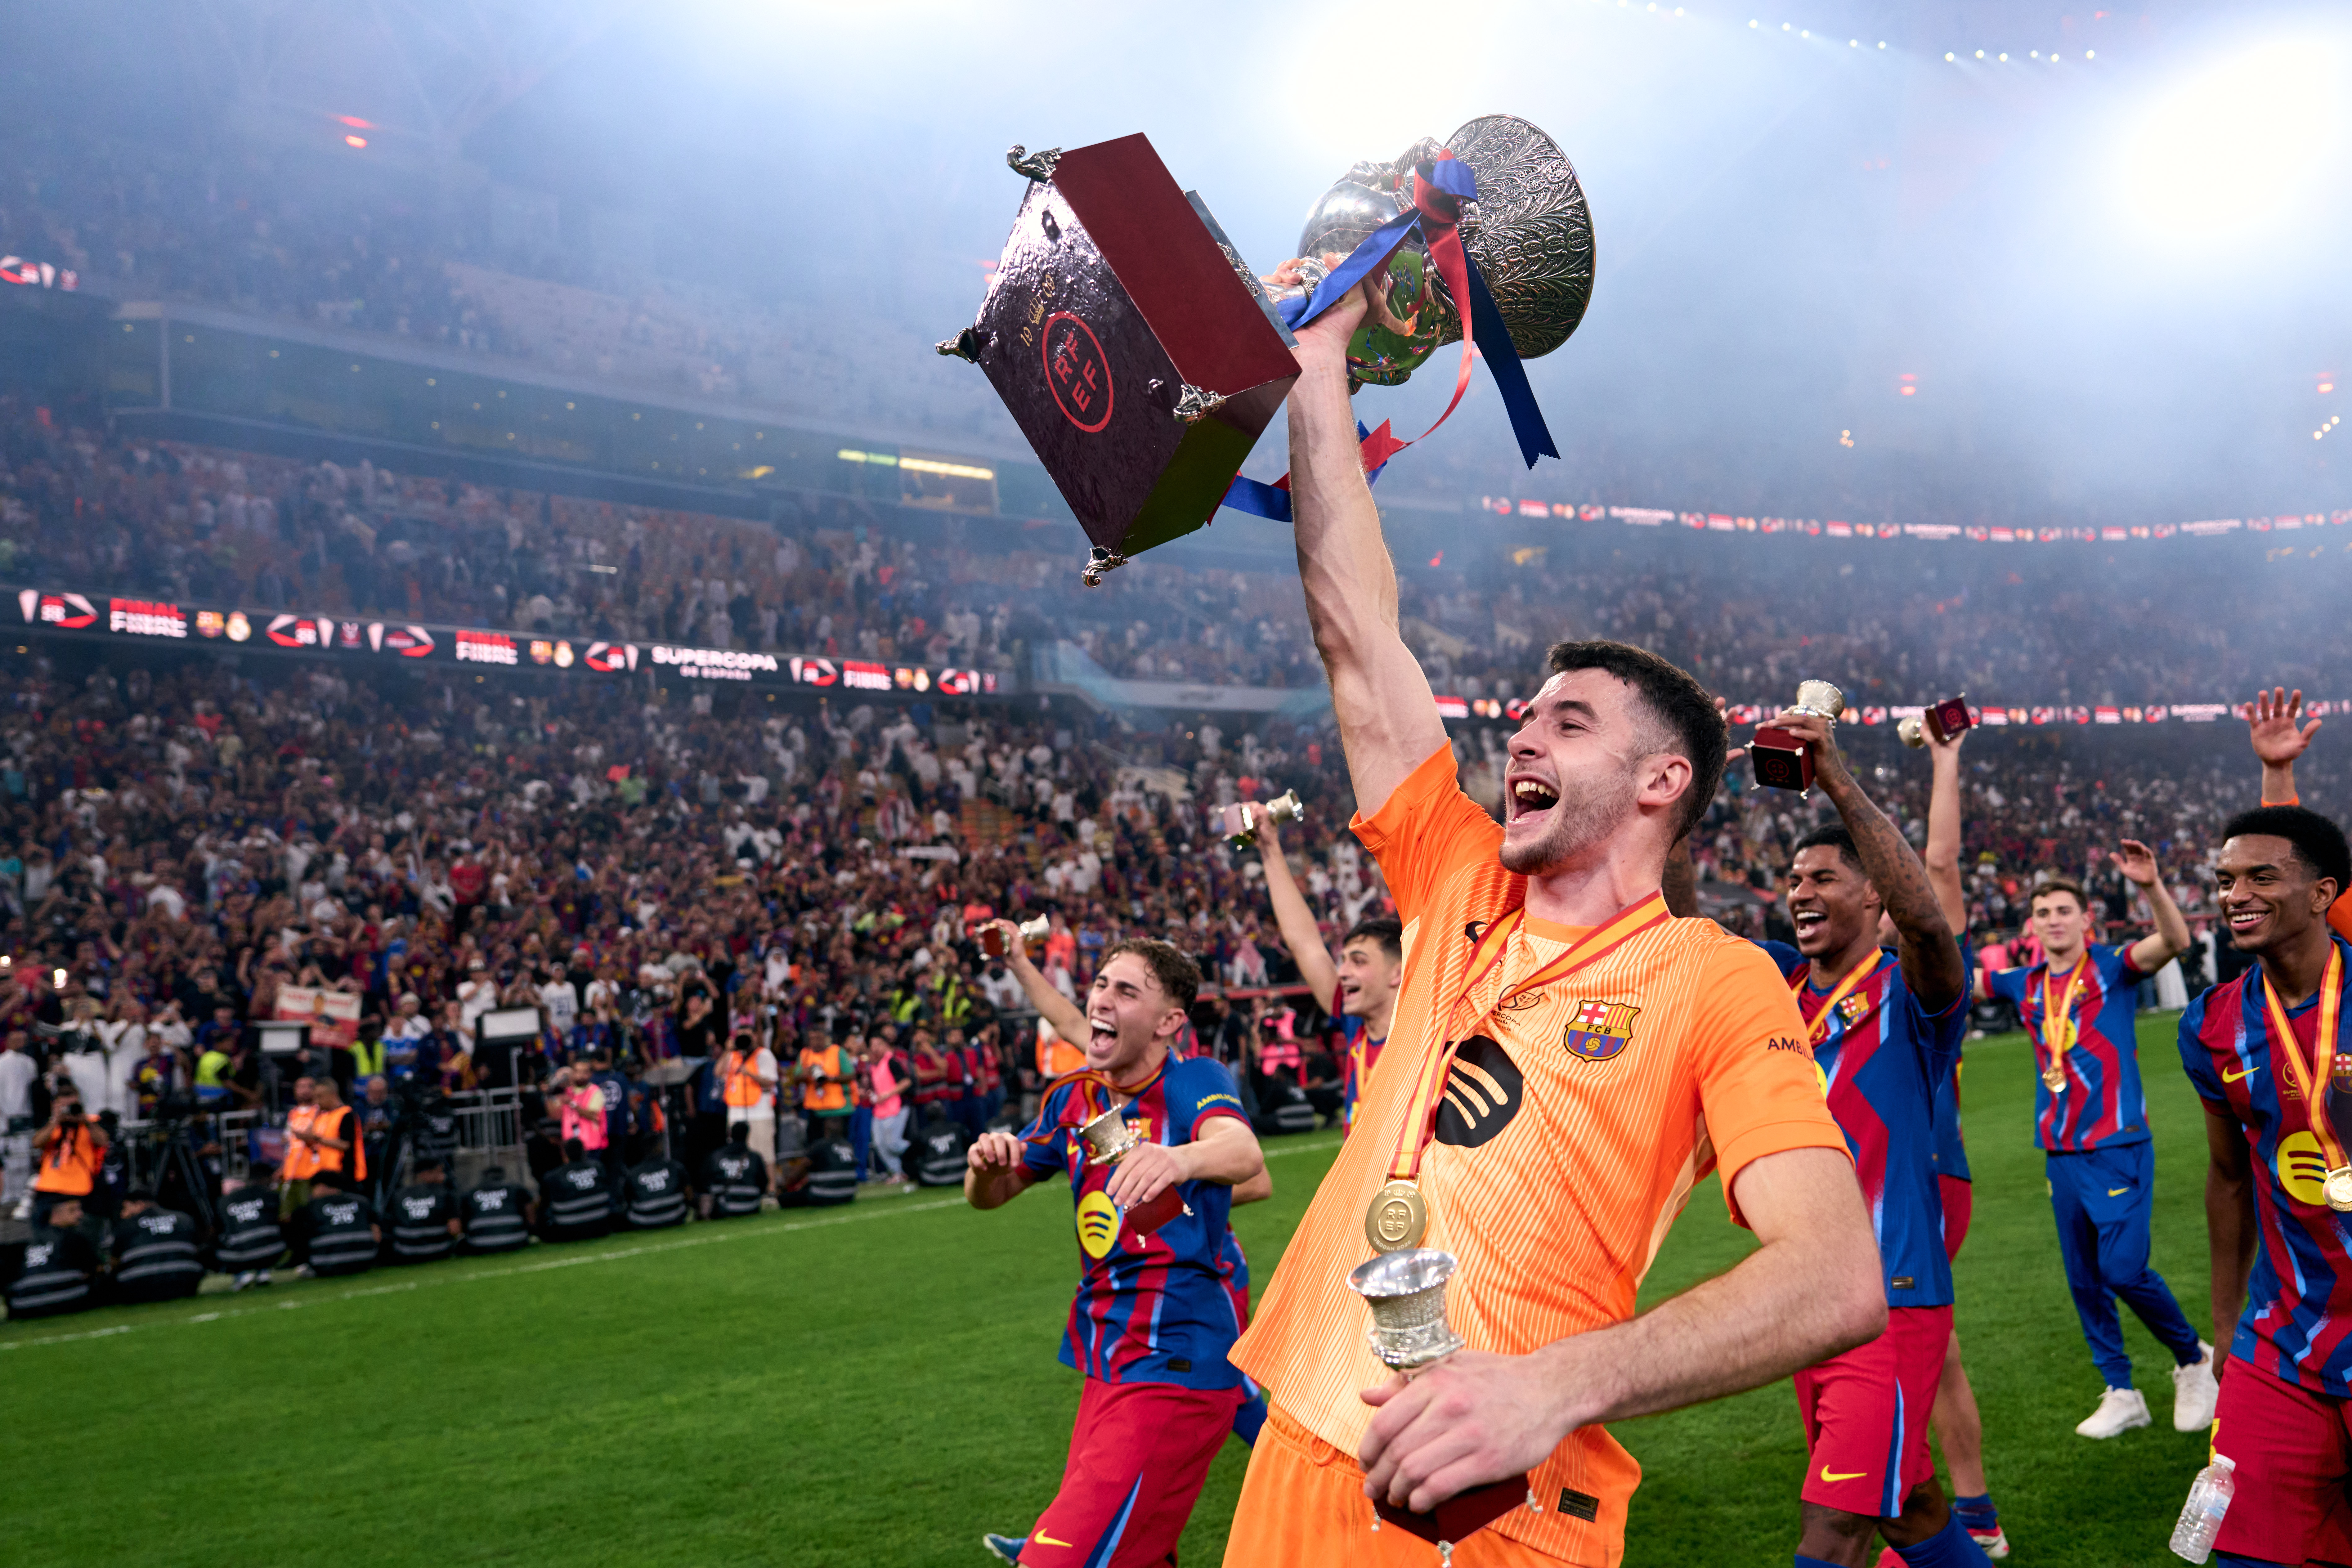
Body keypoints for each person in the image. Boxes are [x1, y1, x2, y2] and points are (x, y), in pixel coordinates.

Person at [1218, 271, 1879, 1568]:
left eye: (1564, 721)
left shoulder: (1713, 979)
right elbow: (1357, 639)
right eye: (1521, 715)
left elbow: (1834, 1278)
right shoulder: (1457, 874)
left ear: (1657, 783)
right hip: (1301, 1440)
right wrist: (1318, 359)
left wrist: (1554, 1386)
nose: (1518, 731)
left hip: (1487, 1498)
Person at [1729, 702, 1989, 1568]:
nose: (1799, 890)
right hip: (1806, 1291)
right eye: (1792, 879)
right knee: (1906, 1503)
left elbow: (1925, 917)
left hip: (1890, 1292)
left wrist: (1834, 774)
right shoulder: (1776, 992)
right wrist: (1681, 812)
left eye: (1823, 877)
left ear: (1870, 889)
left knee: (1831, 1527)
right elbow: (1680, 933)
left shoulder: (1912, 993)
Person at [968, 938, 1269, 1568]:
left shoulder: (1192, 1080)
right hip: (1108, 1356)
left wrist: (1176, 1158)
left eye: (1126, 990)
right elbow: (989, 1199)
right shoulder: (1072, 1097)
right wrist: (984, 1164)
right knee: (1137, 1554)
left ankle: (1311, 1472)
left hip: (1176, 1359)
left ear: (1168, 1022)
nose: (1102, 997)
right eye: (1101, 983)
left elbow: (1245, 1157)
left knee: (1055, 1560)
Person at [1978, 843, 2213, 1436]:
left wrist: (2152, 885)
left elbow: (2176, 942)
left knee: (2123, 1268)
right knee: (2084, 1277)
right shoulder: (2020, 983)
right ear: (2030, 925)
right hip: (2060, 1152)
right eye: (2042, 911)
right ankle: (2121, 1389)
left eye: (2063, 909)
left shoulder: (2114, 966)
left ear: (2087, 919)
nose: (2053, 918)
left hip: (2117, 1142)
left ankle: (2193, 1358)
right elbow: (1947, 976)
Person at [2178, 804, 2352, 1566]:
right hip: (2285, 1342)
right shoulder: (2212, 1025)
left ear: (2322, 894)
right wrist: (2224, 1325)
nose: (2234, 894)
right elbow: (2226, 1179)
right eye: (2223, 880)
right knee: (2245, 1552)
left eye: (2260, 876)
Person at [1907, 721, 2009, 1561]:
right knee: (1933, 1353)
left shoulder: (1921, 977)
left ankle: (1946, 1518)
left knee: (1915, 1351)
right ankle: (1967, 1511)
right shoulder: (1809, 980)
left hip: (1925, 1183)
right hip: (1860, 1188)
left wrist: (1945, 762)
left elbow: (1940, 864)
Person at [1253, 804, 1403, 1133]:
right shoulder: (1356, 1025)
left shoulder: (1424, 1036)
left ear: (1398, 973)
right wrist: (1269, 848)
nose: (1344, 971)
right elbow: (1304, 943)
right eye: (1345, 959)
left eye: (1359, 961)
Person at [6, 1194, 99, 1319]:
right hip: (66, 1298)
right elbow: (93, 1271)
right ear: (55, 1214)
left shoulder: (27, 1240)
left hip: (24, 1304)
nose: (80, 1215)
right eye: (73, 1210)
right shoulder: (72, 1237)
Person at [108, 1187, 206, 1304]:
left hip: (141, 1286)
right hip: (184, 1281)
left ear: (139, 1204)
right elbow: (199, 1249)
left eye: (125, 1208)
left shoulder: (127, 1225)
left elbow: (114, 1263)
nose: (123, 1214)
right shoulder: (184, 1218)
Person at [30, 1082, 106, 1230]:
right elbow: (36, 1143)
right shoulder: (52, 1125)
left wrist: (84, 1120)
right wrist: (56, 1120)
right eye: (65, 1107)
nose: (69, 1112)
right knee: (44, 1231)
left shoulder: (89, 1123)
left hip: (80, 1188)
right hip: (49, 1188)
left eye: (72, 1106)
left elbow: (103, 1141)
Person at [298, 1169, 381, 1278]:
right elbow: (377, 1236)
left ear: (321, 1187)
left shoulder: (311, 1207)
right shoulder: (363, 1201)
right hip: (365, 1260)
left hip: (325, 1264)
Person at [215, 1167, 288, 1291]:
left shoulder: (223, 1202)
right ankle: (263, 1272)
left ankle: (242, 1275)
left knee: (218, 1245)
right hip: (274, 1250)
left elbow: (220, 1230)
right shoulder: (262, 1193)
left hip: (242, 1256)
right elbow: (280, 1216)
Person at [719, 1029, 780, 1172]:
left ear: (755, 1037)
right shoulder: (732, 1055)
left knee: (765, 1154)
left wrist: (750, 1073)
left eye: (748, 1035)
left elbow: (770, 1083)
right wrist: (727, 1051)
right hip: (736, 1114)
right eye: (740, 1036)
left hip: (760, 1113)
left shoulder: (764, 1055)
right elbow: (718, 1072)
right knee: (737, 1154)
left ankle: (770, 1189)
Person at [540, 1136, 616, 1242]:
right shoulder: (599, 1168)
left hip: (568, 1229)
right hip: (602, 1225)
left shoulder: (553, 1176)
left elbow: (545, 1204)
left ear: (564, 1154)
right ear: (584, 1151)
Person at [385, 1158, 460, 1264]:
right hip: (440, 1252)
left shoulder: (397, 1196)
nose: (443, 1177)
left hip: (405, 1253)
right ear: (425, 1174)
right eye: (439, 1172)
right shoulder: (446, 1194)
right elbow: (454, 1229)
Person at [865, 1031, 911, 1184]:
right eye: (873, 1046)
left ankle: (919, 1150)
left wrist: (888, 1094)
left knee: (893, 1143)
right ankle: (898, 1173)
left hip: (896, 1107)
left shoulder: (892, 1061)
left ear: (886, 1046)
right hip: (880, 1110)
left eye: (879, 1045)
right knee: (879, 1144)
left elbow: (906, 1082)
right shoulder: (872, 1066)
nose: (876, 1049)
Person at [797, 1028, 855, 1148]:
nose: (815, 1042)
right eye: (812, 1039)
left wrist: (830, 1078)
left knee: (839, 1146)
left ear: (826, 1039)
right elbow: (796, 1078)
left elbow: (851, 1075)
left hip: (838, 1109)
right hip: (816, 1110)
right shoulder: (805, 1054)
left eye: (818, 1039)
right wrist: (807, 1073)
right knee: (815, 1147)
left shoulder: (837, 1051)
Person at [460, 1164, 534, 1254]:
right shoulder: (516, 1189)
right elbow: (531, 1219)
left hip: (479, 1245)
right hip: (516, 1240)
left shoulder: (470, 1193)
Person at [699, 1121, 768, 1218]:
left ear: (730, 1134)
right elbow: (763, 1184)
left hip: (723, 1208)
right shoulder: (755, 1158)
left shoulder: (716, 1156)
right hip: (750, 1206)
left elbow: (706, 1182)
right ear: (747, 1135)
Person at [623, 1147, 692, 1229]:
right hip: (675, 1216)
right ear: (659, 1147)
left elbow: (627, 1199)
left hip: (643, 1221)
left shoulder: (633, 1173)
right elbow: (689, 1193)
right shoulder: (674, 1166)